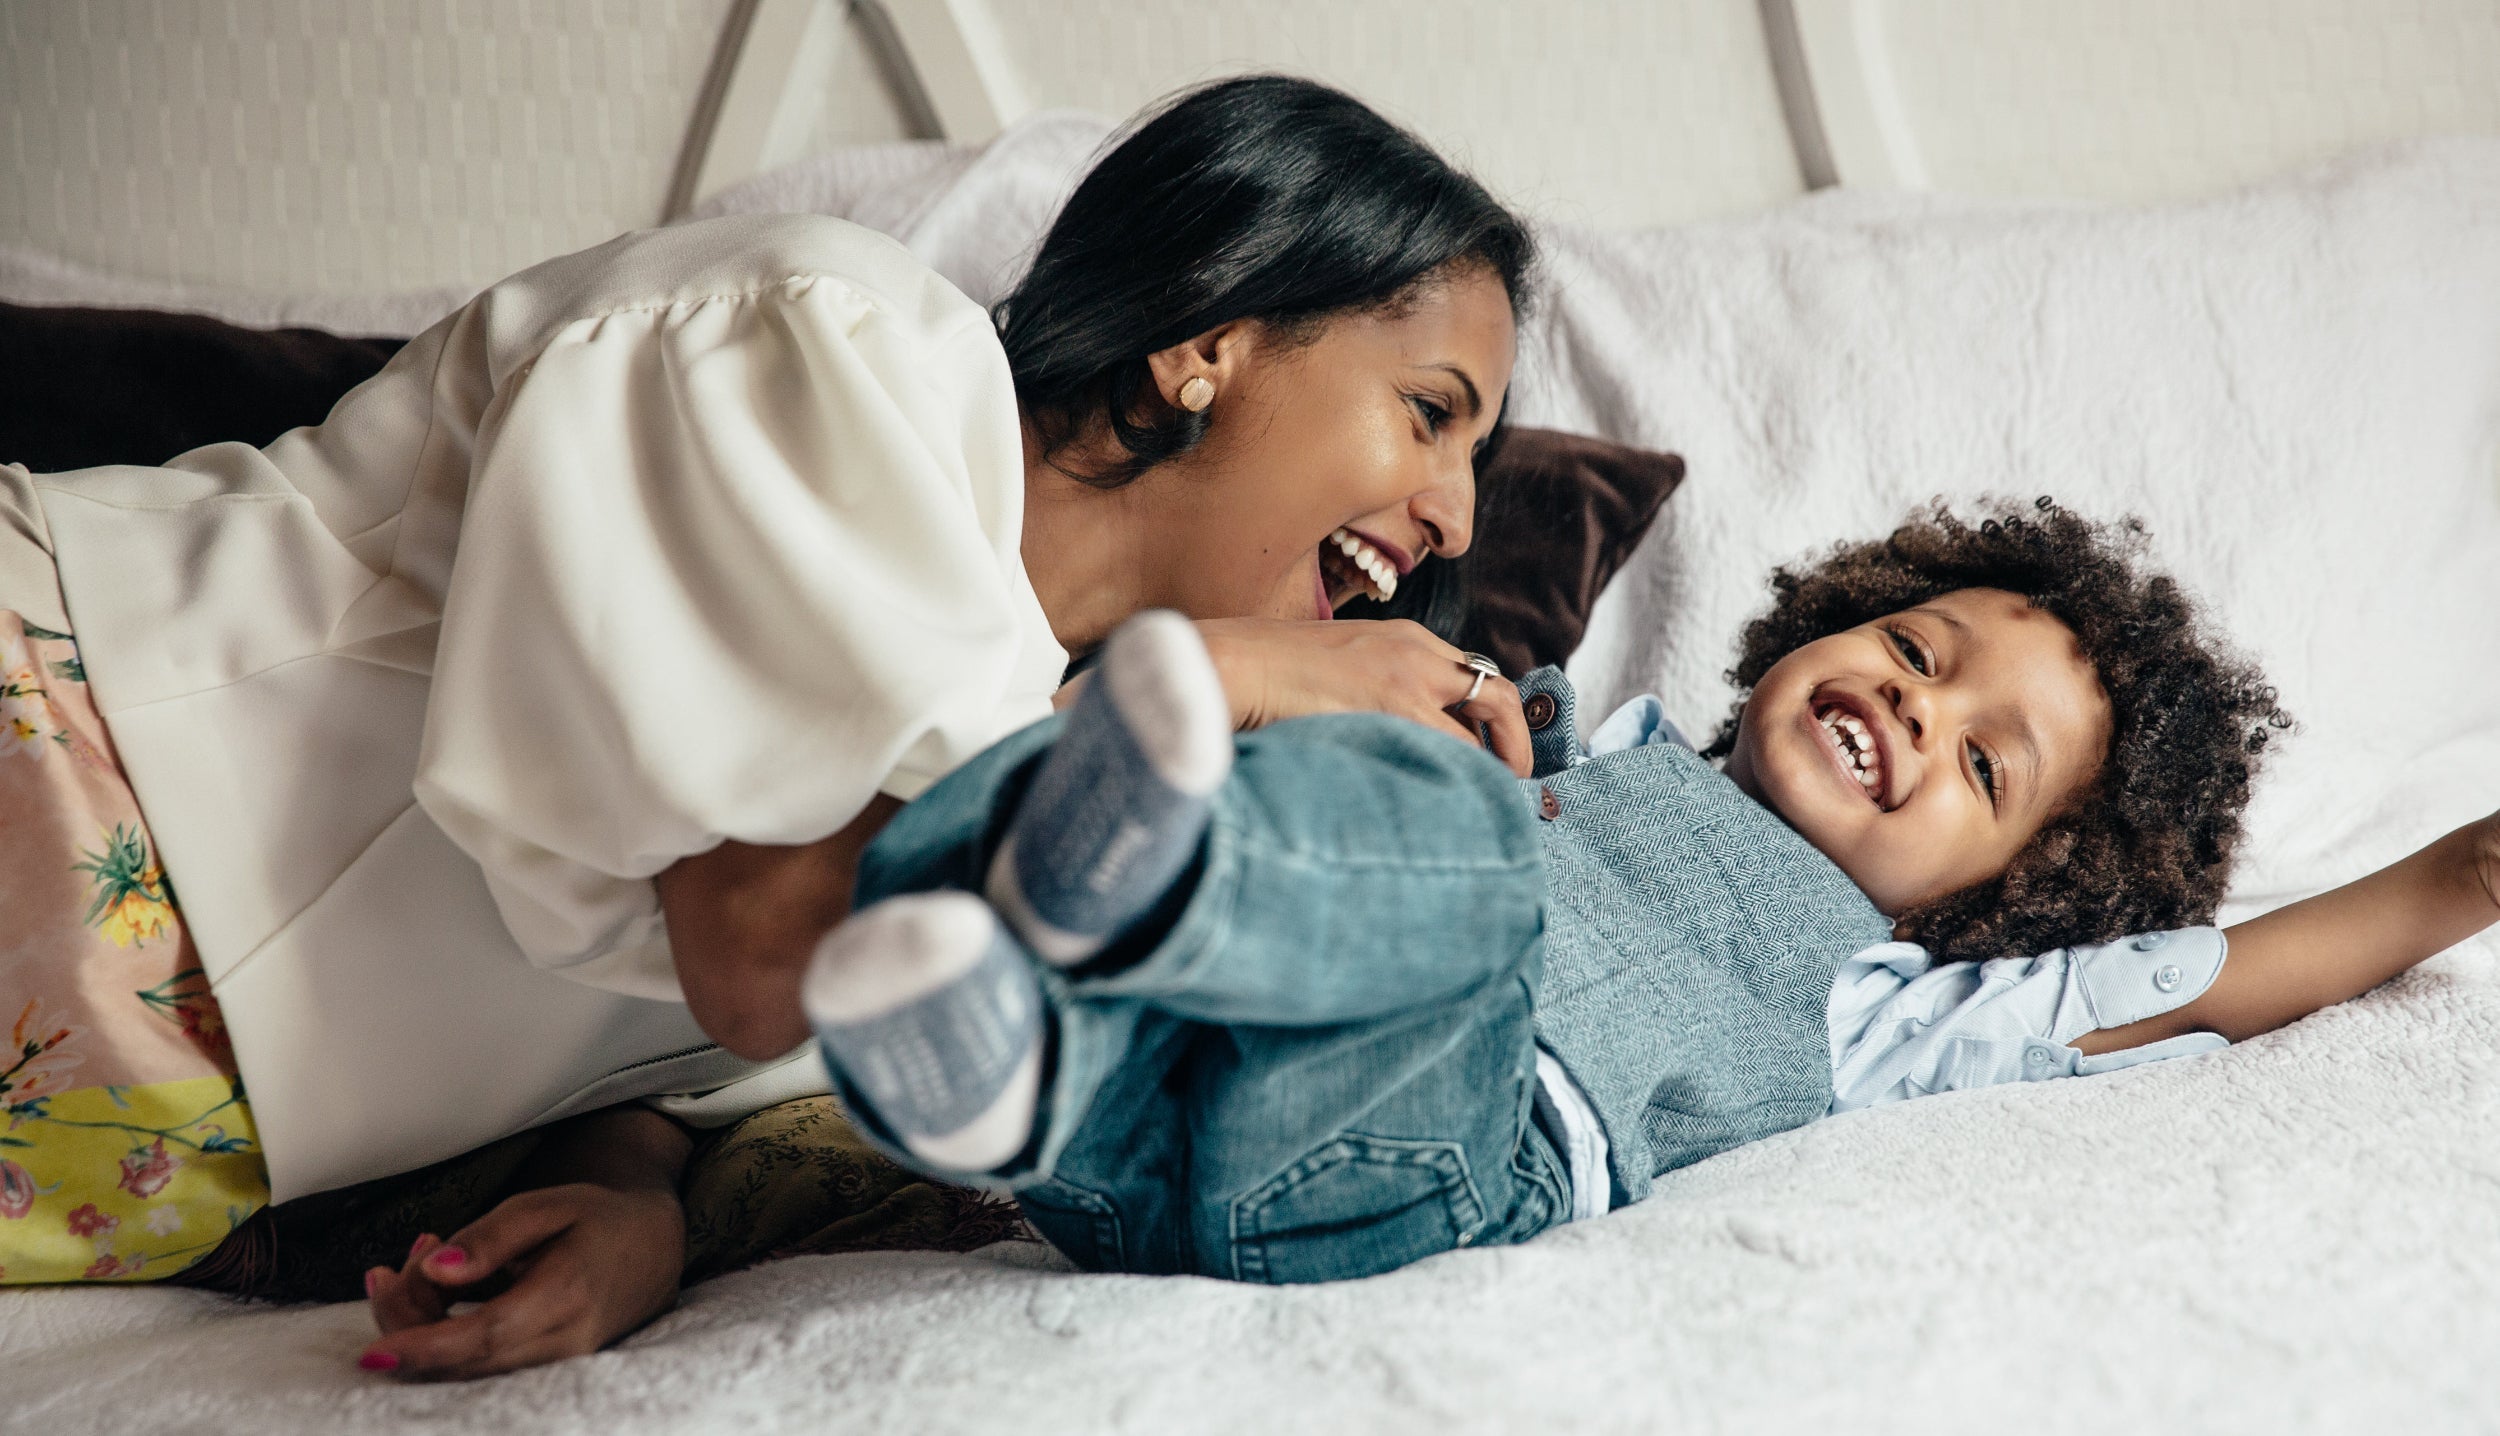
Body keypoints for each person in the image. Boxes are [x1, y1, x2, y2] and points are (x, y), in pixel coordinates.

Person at [0, 76, 1541, 1352]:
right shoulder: (825, 342)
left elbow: (697, 1048)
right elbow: (754, 931)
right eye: (1431, 412)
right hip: (56, 765)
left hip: (109, 1178)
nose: (1459, 523)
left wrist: (636, 1208)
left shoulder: (1064, 783)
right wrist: (1224, 677)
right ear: (1214, 337)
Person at [758, 501, 2499, 1284]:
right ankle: (981, 1056)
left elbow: (2266, 960)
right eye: (1916, 647)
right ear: (1833, 612)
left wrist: (2464, 878)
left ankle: (1115, 889)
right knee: (1366, 768)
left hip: (1414, 1150)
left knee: (1451, 863)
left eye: (1985, 765)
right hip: (1139, 1163)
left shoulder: (1903, 1005)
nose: (1917, 704)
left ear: (2013, 908)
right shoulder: (1575, 738)